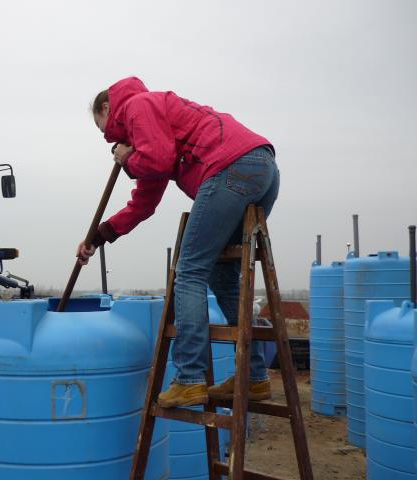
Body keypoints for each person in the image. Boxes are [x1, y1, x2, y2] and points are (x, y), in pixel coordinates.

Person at [78, 77, 280, 407]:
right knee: (223, 277)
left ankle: (190, 379)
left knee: (189, 272)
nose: (111, 140)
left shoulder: (136, 105)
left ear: (107, 107)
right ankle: (255, 377)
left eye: (107, 132)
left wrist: (127, 160)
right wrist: (99, 236)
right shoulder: (154, 125)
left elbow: (155, 159)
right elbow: (144, 202)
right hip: (262, 168)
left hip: (231, 167)